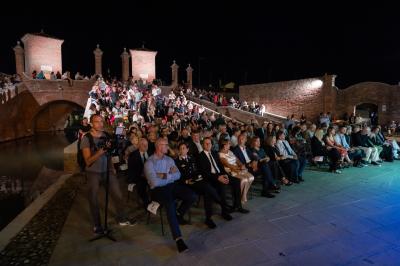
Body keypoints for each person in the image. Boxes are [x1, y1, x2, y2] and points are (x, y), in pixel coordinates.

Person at [80, 114, 135, 235]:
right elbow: (88, 161)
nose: (100, 124)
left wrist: (112, 167)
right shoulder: (86, 139)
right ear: (91, 124)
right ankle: (97, 225)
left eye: (101, 121)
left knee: (118, 195)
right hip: (93, 173)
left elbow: (109, 154)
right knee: (93, 199)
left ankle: (122, 218)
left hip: (107, 171)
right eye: (97, 122)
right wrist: (100, 152)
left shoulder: (106, 136)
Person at [144, 138, 197, 253]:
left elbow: (178, 175)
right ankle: (178, 239)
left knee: (192, 195)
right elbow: (154, 183)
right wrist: (169, 175)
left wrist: (164, 175)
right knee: (170, 204)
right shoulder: (149, 163)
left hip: (171, 186)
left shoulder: (169, 159)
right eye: (166, 145)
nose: (168, 147)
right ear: (158, 146)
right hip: (157, 190)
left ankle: (178, 214)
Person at [175, 143, 228, 229]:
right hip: (187, 184)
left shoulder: (192, 158)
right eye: (180, 148)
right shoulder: (176, 161)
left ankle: (208, 218)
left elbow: (197, 170)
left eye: (184, 148)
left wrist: (199, 176)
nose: (182, 150)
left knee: (207, 193)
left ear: (187, 150)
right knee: (207, 188)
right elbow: (177, 176)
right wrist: (186, 181)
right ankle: (221, 203)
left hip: (197, 181)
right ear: (178, 150)